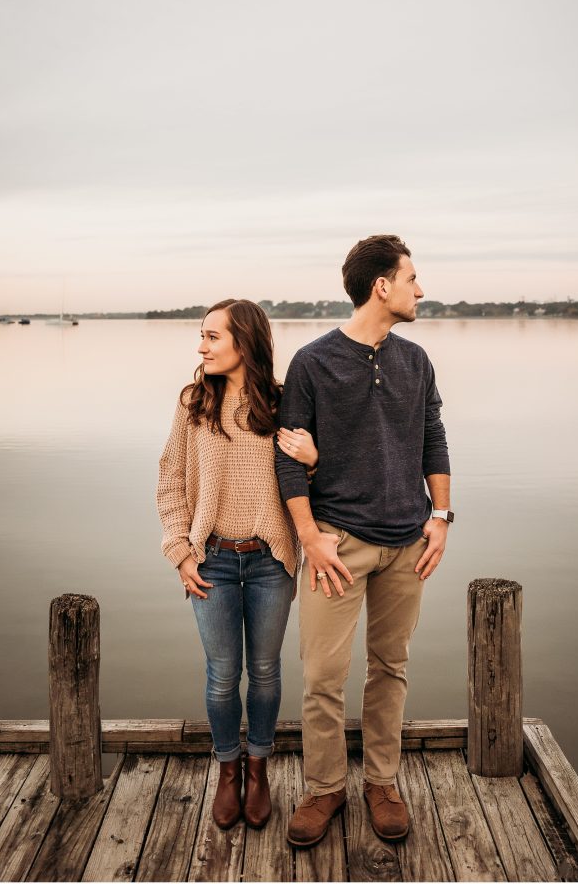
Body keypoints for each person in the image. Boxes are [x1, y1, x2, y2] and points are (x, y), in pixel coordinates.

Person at [275, 234, 452, 847]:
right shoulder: (312, 362)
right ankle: (324, 789)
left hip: (408, 542)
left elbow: (433, 436)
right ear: (383, 285)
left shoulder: (417, 360)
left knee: (390, 668)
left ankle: (382, 782)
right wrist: (310, 539)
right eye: (412, 278)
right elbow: (289, 462)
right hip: (337, 545)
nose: (420, 289)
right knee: (322, 675)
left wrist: (442, 517)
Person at [156, 299, 317, 831]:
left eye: (211, 337)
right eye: (201, 337)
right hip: (212, 562)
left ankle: (259, 766)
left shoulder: (281, 400)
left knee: (266, 672)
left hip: (272, 560)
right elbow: (171, 478)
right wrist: (180, 551)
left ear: (243, 341)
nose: (201, 347)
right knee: (223, 675)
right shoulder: (192, 402)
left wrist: (314, 461)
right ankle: (228, 770)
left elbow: (308, 486)